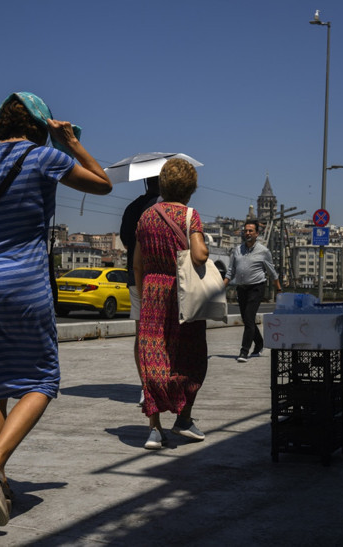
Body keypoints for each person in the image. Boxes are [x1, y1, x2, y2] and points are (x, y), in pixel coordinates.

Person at [0, 92, 112, 525]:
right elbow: (103, 182)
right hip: (23, 280)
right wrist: (71, 143)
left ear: (0, 124)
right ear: (41, 127)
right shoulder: (46, 158)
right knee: (42, 377)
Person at [133, 158, 209, 450]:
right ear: (190, 188)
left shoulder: (146, 217)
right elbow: (200, 256)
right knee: (190, 358)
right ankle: (184, 418)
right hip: (182, 294)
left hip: (152, 291)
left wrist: (145, 294)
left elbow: (137, 264)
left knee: (153, 358)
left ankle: (154, 430)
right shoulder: (190, 215)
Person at [119, 176, 161, 406]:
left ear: (146, 181)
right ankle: (161, 381)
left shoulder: (132, 207)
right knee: (164, 333)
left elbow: (126, 241)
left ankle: (145, 386)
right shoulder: (167, 206)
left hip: (135, 277)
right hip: (163, 274)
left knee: (141, 333)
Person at [223, 220, 282, 362]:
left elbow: (272, 273)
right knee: (246, 319)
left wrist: (279, 290)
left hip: (256, 288)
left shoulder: (263, 251)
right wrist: (221, 287)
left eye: (250, 231)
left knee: (249, 318)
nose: (247, 233)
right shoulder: (237, 250)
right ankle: (260, 343)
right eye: (246, 230)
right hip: (241, 288)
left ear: (257, 233)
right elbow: (230, 271)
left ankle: (244, 352)